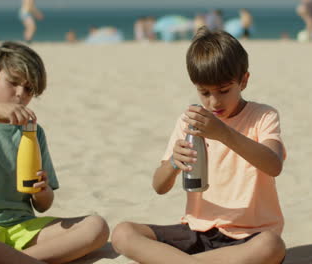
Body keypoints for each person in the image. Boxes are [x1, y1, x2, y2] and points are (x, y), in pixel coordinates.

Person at [111, 26, 286, 264]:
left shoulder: (263, 116)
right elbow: (159, 186)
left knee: (272, 245)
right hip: (197, 231)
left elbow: (273, 165)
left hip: (249, 236)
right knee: (123, 233)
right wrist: (174, 162)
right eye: (204, 92)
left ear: (243, 81)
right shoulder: (189, 121)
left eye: (223, 91)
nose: (214, 101)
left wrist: (223, 133)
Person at [0, 42, 109, 264]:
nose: (20, 94)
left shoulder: (33, 131)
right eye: (13, 83)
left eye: (29, 89)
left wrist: (42, 190)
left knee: (96, 226)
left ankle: (15, 260)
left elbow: (43, 204)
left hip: (24, 228)